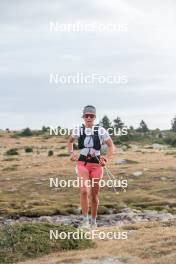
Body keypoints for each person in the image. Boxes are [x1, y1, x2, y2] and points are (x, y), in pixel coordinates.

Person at [67, 105, 114, 229]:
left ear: (94, 117)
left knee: (94, 196)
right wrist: (71, 154)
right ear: (83, 116)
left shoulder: (101, 131)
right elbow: (70, 141)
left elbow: (110, 145)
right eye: (86, 115)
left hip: (97, 165)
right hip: (82, 164)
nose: (89, 118)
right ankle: (85, 221)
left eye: (91, 116)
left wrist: (106, 158)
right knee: (83, 191)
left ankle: (93, 221)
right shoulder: (78, 130)